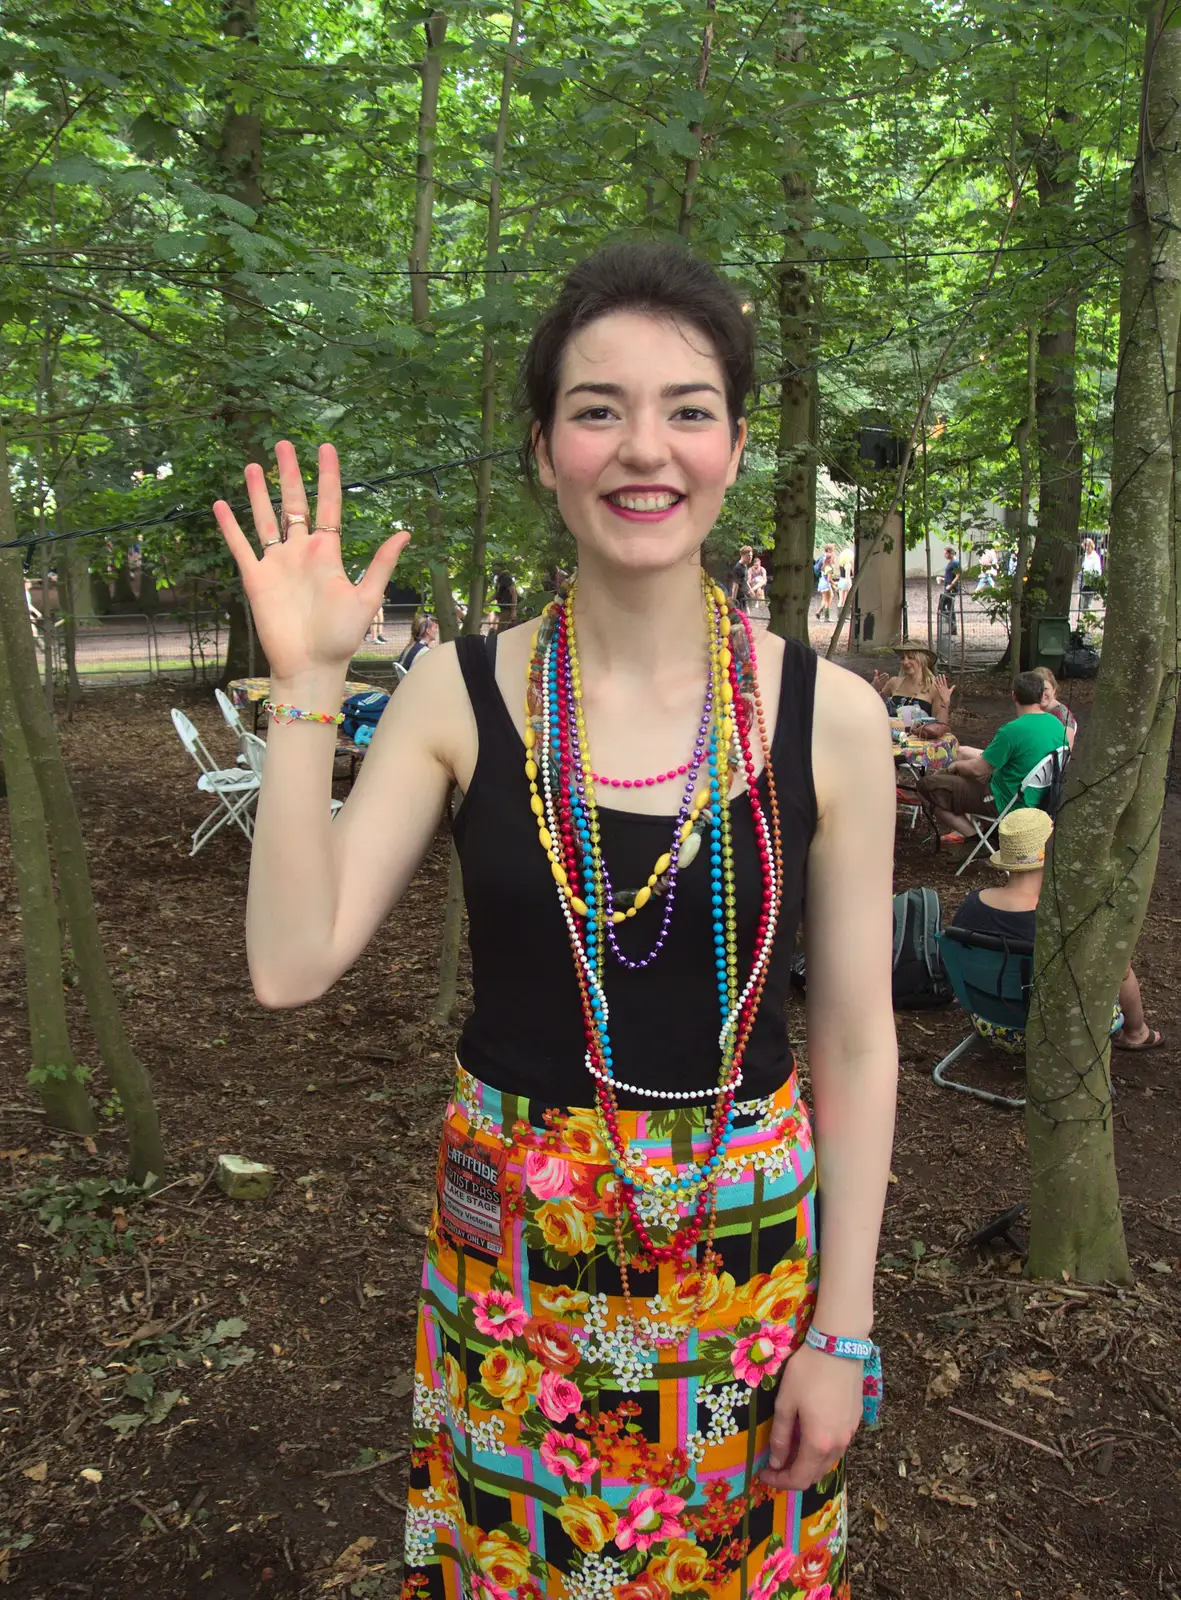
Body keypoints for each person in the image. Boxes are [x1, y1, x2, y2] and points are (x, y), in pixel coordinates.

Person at [213, 242, 897, 1600]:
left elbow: (861, 1042)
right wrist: (306, 686)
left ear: (734, 444)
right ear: (544, 450)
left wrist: (848, 1331)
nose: (644, 447)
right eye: (598, 409)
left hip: (748, 1252)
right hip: (512, 1253)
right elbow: (292, 966)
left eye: (686, 408)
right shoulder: (457, 697)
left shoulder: (834, 719)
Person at [952, 809, 1161, 1050]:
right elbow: (1109, 971)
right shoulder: (1063, 919)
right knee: (1120, 963)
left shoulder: (973, 903)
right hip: (1055, 1031)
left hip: (990, 1022)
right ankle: (1137, 1033)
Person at [917, 669, 1068, 844]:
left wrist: (956, 766)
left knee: (925, 786)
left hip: (1004, 801)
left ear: (1014, 696)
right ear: (1041, 695)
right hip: (1037, 798)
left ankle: (973, 837)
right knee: (957, 772)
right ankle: (981, 833)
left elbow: (977, 769)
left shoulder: (1012, 730)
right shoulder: (1056, 725)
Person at [871, 645, 953, 724]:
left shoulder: (934, 687)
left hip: (920, 737)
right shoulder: (894, 682)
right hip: (891, 735)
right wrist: (873, 689)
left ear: (922, 660)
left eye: (910, 658)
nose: (905, 662)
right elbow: (874, 708)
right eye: (903, 658)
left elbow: (940, 725)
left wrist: (945, 703)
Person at [1031, 666, 1077, 749]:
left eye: (1045, 689)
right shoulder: (1031, 707)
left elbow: (1066, 750)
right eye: (1037, 688)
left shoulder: (1062, 715)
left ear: (1054, 690)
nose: (1041, 693)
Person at [938, 546, 960, 636]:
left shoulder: (955, 563)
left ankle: (952, 624)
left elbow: (958, 575)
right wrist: (943, 579)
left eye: (946, 553)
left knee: (942, 605)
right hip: (948, 586)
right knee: (950, 607)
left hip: (951, 589)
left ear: (950, 553)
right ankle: (953, 628)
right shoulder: (951, 563)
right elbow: (950, 576)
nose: (945, 555)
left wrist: (951, 585)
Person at [815, 543, 837, 621]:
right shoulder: (828, 567)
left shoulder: (824, 564)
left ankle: (819, 612)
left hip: (822, 582)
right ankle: (826, 617)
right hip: (825, 583)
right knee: (827, 600)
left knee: (828, 598)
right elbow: (829, 579)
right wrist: (834, 584)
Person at [729, 543, 753, 612]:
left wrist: (750, 589)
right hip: (738, 598)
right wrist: (733, 600)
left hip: (743, 595)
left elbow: (745, 580)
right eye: (748, 556)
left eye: (751, 556)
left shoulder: (745, 565)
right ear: (742, 555)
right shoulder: (737, 568)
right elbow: (735, 585)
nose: (750, 557)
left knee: (747, 615)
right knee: (743, 617)